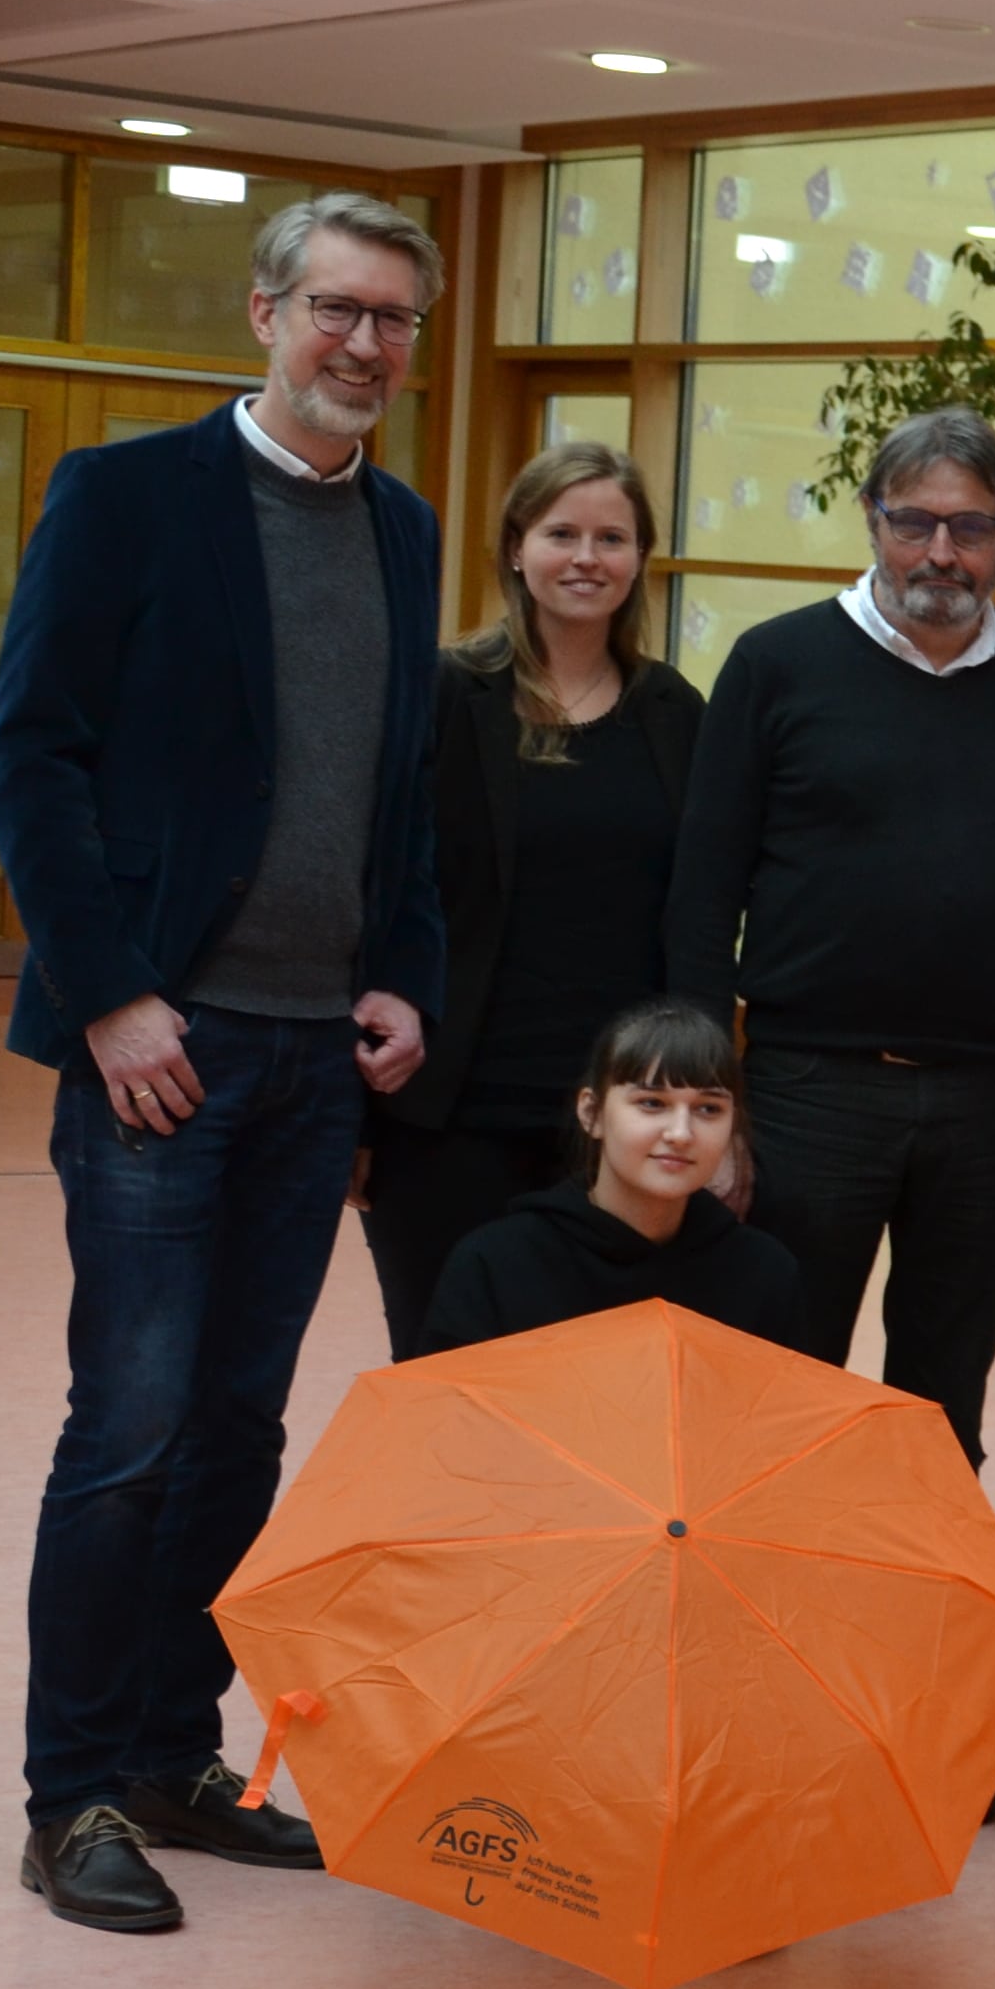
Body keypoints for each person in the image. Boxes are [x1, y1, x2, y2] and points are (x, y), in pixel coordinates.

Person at [0, 192, 450, 1935]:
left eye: (394, 321)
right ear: (265, 313)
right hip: (157, 1053)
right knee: (131, 1422)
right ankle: (72, 1789)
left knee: (240, 1430)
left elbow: (394, 801)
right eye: (337, 309)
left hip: (312, 1059)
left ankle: (177, 1752)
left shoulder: (400, 533)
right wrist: (108, 995)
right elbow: (32, 757)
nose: (363, 345)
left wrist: (403, 980)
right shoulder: (126, 496)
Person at [667, 407, 995, 1469]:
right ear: (871, 520)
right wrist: (712, 1096)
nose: (940, 552)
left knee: (943, 1407)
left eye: (972, 527)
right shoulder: (775, 666)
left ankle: (921, 1629)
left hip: (988, 1102)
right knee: (779, 1388)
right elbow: (704, 891)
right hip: (813, 1091)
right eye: (915, 522)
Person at [363, 442, 704, 1357]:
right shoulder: (447, 692)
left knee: (596, 1392)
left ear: (639, 560)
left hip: (611, 1123)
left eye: (612, 537)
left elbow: (694, 909)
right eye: (562, 533)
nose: (587, 557)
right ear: (517, 548)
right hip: (450, 1115)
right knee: (450, 1381)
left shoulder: (675, 713)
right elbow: (388, 879)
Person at [418, 998, 807, 1351]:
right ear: (591, 1112)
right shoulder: (497, 1263)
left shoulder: (764, 1272)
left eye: (708, 1109)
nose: (680, 1134)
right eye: (652, 1103)